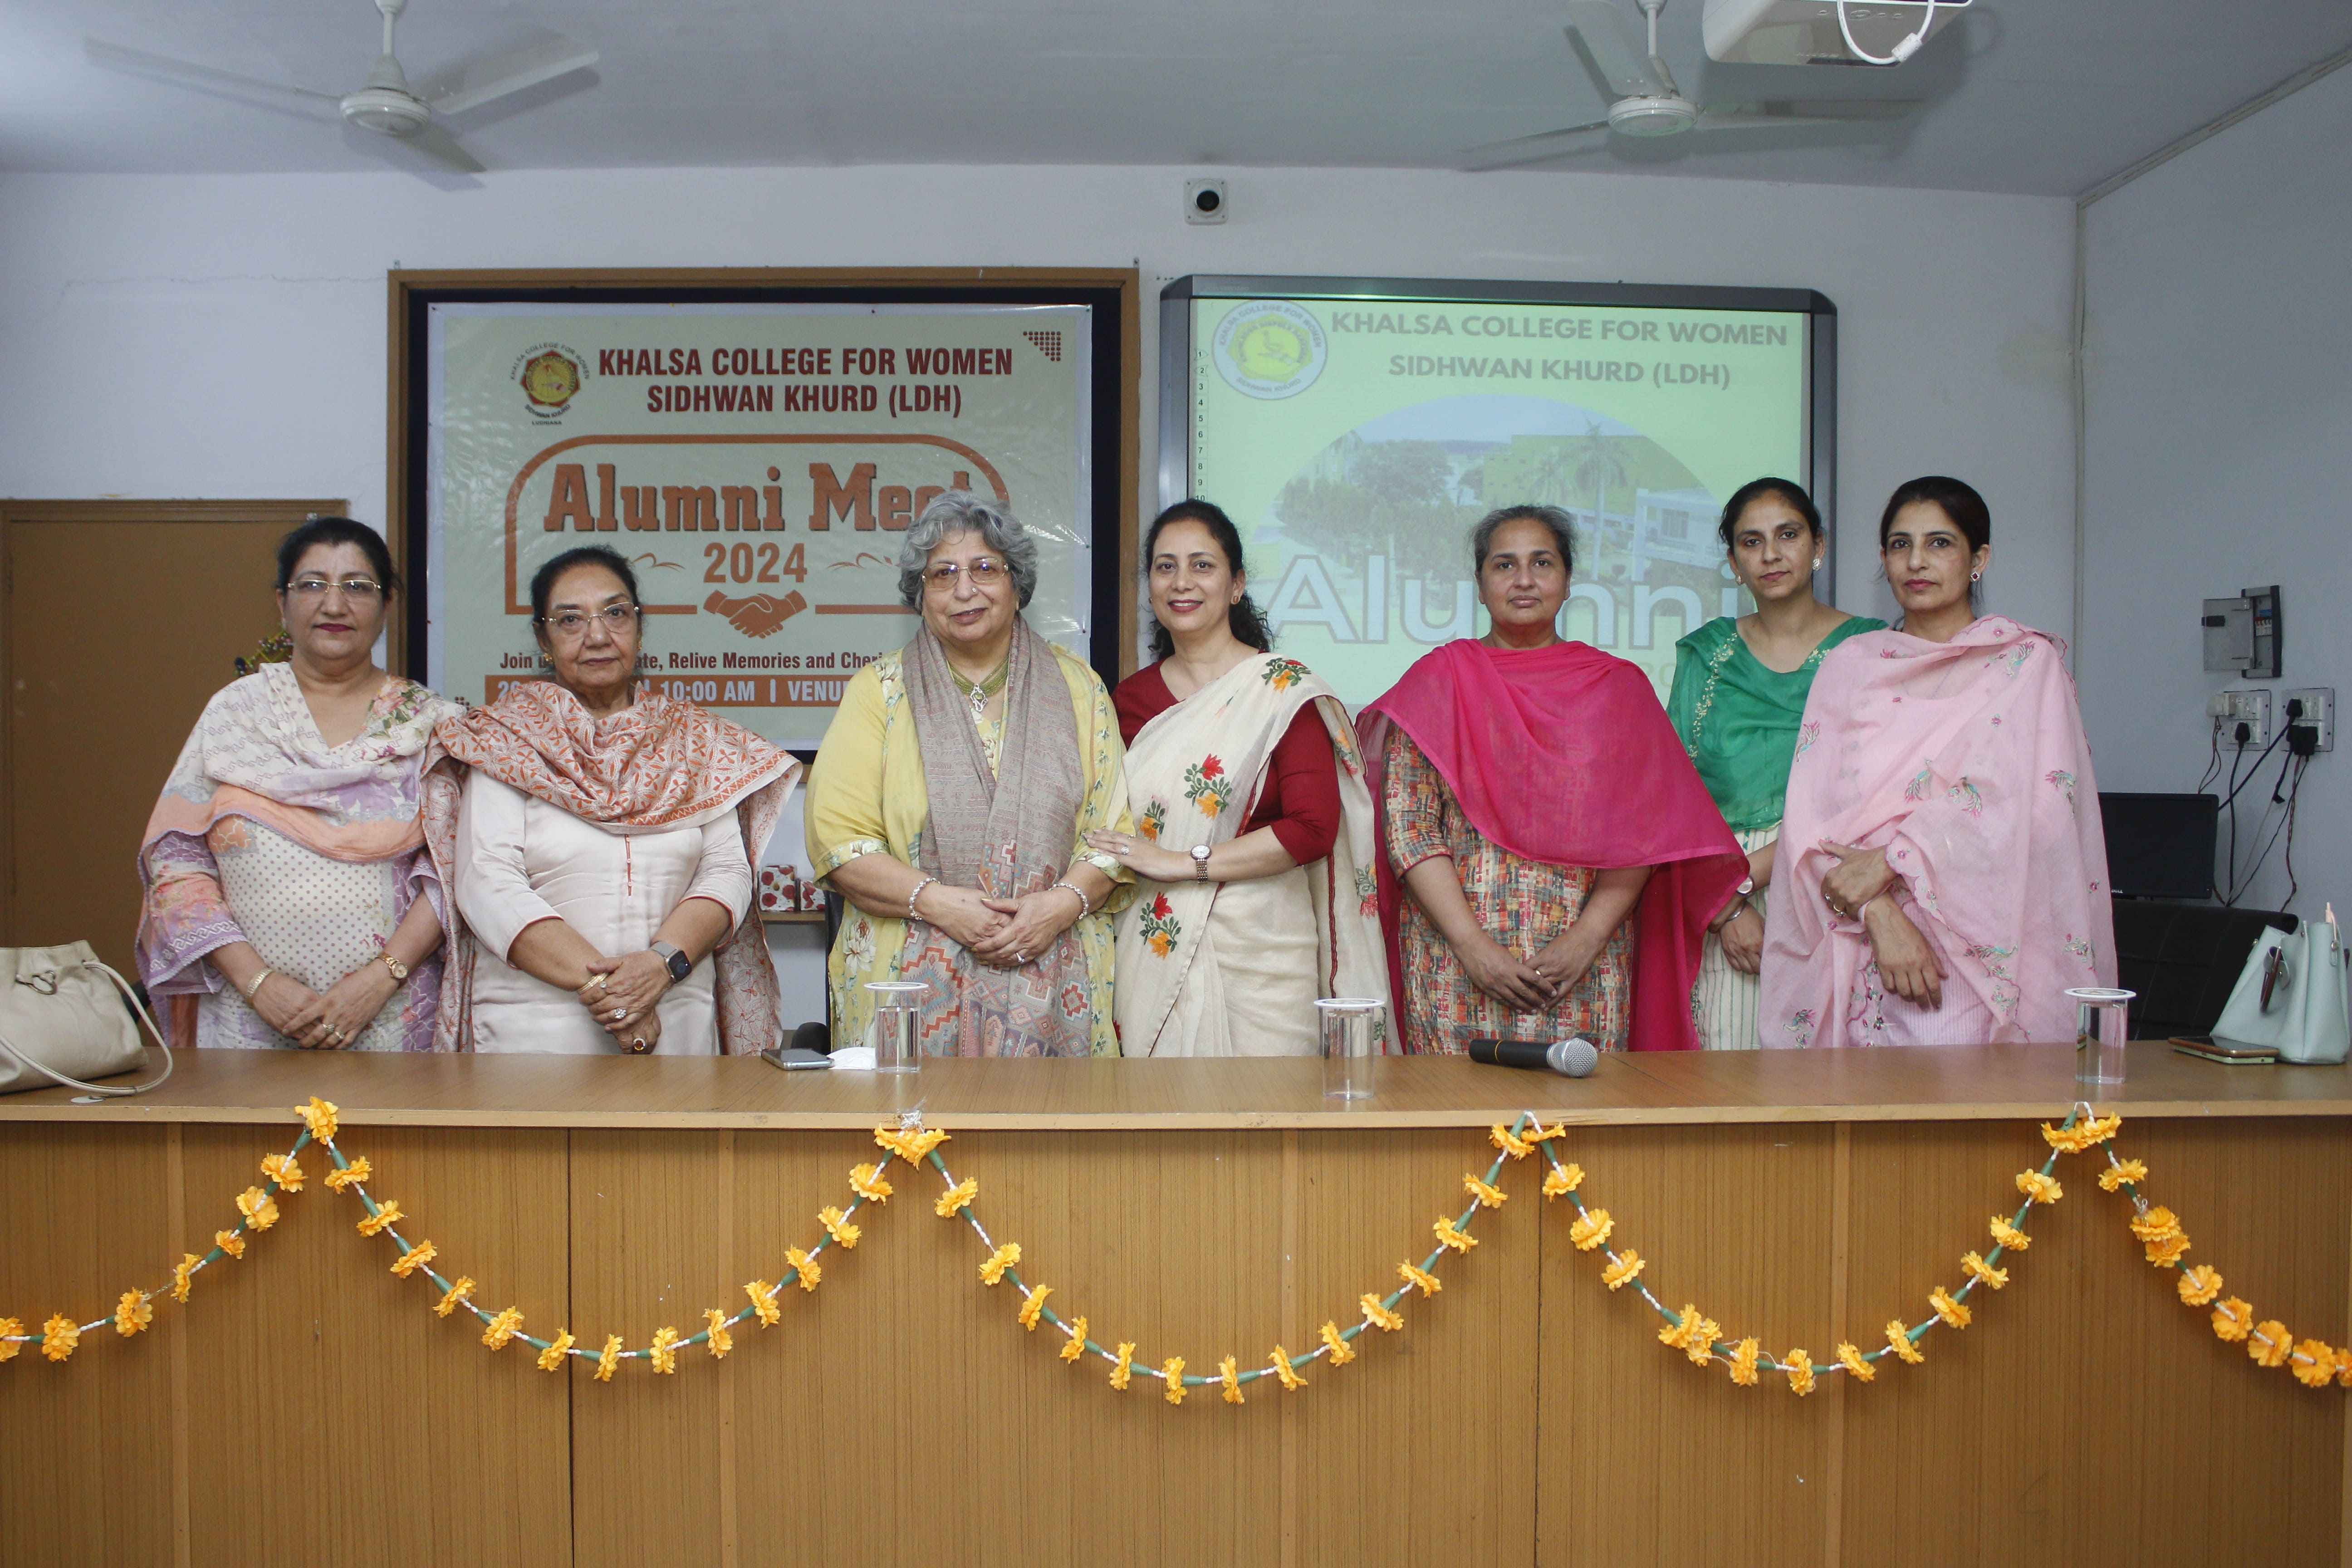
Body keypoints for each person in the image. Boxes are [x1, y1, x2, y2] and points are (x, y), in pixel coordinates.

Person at [1359, 504, 1747, 1055]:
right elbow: (1411, 830)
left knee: (1584, 1104)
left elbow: (1645, 833)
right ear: (1479, 585)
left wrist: (1585, 941)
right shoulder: (1439, 682)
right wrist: (1473, 948)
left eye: (1542, 563)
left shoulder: (1617, 690)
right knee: (1452, 1108)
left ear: (1567, 582)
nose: (1524, 580)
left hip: (1583, 973)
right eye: (1504, 565)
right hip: (1454, 973)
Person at [1760, 476, 2116, 1048]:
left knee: (1970, 1098)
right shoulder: (1852, 666)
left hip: (1981, 952)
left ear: (1980, 559)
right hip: (1859, 946)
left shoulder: (2024, 665)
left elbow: (2039, 813)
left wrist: (1897, 858)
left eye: (1940, 543)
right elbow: (1813, 822)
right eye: (1900, 545)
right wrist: (1880, 913)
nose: (1916, 562)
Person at [426, 545, 799, 1054]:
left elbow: (727, 871)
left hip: (677, 1019)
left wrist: (661, 966)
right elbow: (487, 882)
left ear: (640, 629)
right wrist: (614, 996)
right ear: (543, 639)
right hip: (535, 1035)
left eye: (616, 614)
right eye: (570, 620)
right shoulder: (506, 741)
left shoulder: (693, 742)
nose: (597, 636)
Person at [805, 491, 1132, 1057]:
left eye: (984, 568)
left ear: (1016, 584)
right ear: (920, 595)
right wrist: (939, 904)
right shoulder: (878, 693)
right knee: (909, 1118)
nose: (964, 590)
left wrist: (1055, 909)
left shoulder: (1079, 688)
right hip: (907, 980)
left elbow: (1113, 836)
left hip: (1058, 972)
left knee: (1056, 1120)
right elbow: (841, 844)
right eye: (943, 574)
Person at [136, 516, 453, 1050]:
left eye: (358, 586)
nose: (334, 605)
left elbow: (453, 868)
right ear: (282, 604)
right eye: (312, 585)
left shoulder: (429, 724)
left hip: (394, 1017)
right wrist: (258, 983)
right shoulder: (233, 716)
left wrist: (381, 979)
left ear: (387, 604)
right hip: (246, 1020)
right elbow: (177, 862)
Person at [1084, 501, 1387, 1056]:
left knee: (1269, 1107)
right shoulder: (1127, 701)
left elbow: (1313, 828)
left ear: (1237, 585)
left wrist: (1184, 864)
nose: (1182, 581)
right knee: (1160, 1109)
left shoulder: (1282, 692)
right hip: (1155, 945)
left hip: (1264, 956)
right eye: (1166, 566)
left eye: (1202, 565)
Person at [1668, 479, 1884, 1049]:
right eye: (1751, 541)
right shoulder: (1706, 655)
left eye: (1788, 535)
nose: (1770, 554)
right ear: (1734, 564)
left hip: (1837, 880)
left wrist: (1742, 882)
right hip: (1722, 893)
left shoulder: (1872, 649)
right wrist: (1725, 906)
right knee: (1728, 1073)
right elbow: (1673, 796)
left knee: (1833, 1075)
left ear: (1818, 546)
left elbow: (1883, 791)